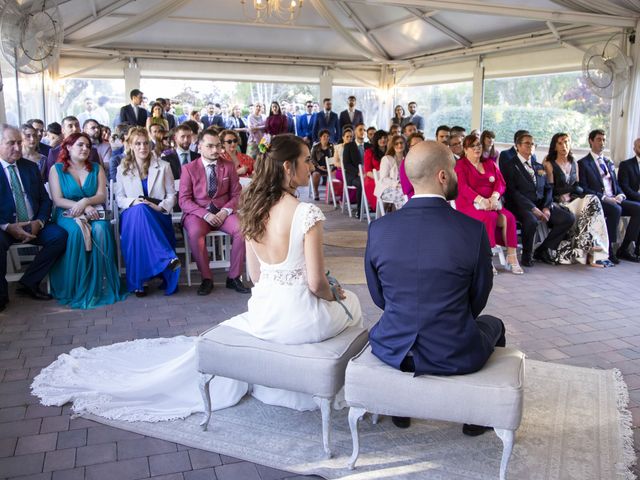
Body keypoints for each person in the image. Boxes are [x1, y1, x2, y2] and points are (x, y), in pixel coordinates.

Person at [31, 134, 363, 422]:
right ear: (288, 167)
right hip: (299, 317)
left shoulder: (255, 209)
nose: (312, 167)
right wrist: (338, 294)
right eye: (307, 161)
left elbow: (255, 275)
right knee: (356, 305)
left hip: (265, 313)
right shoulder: (307, 212)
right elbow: (317, 284)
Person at [365, 140, 505, 433]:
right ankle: (476, 416)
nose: (456, 175)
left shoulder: (378, 229)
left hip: (394, 346)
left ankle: (402, 408)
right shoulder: (471, 230)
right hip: (453, 349)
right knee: (495, 325)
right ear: (442, 176)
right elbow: (478, 298)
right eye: (453, 169)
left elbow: (379, 297)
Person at [48, 132, 126, 309]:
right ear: (68, 147)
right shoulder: (57, 169)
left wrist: (86, 202)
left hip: (93, 210)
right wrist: (81, 206)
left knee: (102, 228)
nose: (85, 149)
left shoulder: (96, 168)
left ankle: (103, 283)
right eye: (80, 145)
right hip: (67, 213)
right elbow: (58, 199)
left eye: (88, 146)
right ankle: (75, 285)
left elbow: (101, 195)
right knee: (76, 232)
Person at [0, 124, 67, 312]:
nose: (17, 147)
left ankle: (29, 282)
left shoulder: (30, 167)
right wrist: (7, 226)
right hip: (5, 227)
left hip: (33, 223)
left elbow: (45, 200)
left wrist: (39, 222)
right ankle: (1, 295)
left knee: (60, 236)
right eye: (11, 143)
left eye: (19, 143)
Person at [179, 128, 249, 296]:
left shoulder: (228, 166)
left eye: (218, 146)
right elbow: (184, 200)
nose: (215, 150)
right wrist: (205, 214)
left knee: (242, 229)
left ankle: (234, 277)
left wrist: (225, 211)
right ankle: (206, 278)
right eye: (210, 146)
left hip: (223, 212)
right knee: (195, 233)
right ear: (199, 147)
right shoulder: (189, 168)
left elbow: (237, 194)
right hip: (198, 213)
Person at [114, 127, 180, 297]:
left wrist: (161, 206)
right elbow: (120, 198)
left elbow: (172, 194)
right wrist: (135, 202)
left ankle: (138, 282)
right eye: (138, 143)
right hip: (131, 214)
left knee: (142, 216)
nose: (142, 147)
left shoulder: (163, 166)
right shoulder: (122, 168)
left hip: (157, 214)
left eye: (145, 143)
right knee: (140, 210)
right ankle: (166, 258)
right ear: (130, 145)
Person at [501, 133, 575, 267]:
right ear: (518, 146)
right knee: (531, 220)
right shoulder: (510, 165)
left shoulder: (538, 166)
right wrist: (532, 208)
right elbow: (512, 192)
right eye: (527, 143)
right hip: (520, 206)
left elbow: (548, 188)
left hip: (541, 204)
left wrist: (546, 207)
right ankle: (526, 255)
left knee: (567, 218)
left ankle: (542, 249)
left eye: (533, 144)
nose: (531, 146)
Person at [455, 135, 522, 275]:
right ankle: (487, 259)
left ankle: (512, 258)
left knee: (509, 217)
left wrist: (494, 196)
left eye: (478, 145)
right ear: (465, 149)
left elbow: (500, 182)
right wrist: (480, 200)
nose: (477, 148)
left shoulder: (489, 163)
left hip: (492, 203)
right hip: (469, 205)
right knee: (489, 218)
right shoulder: (461, 165)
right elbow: (463, 187)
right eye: (472, 146)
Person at [543, 133, 610, 267]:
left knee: (593, 200)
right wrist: (570, 190)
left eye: (567, 142)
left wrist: (574, 190)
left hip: (574, 201)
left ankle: (595, 251)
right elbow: (550, 189)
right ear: (554, 146)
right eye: (560, 143)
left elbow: (578, 187)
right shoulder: (549, 164)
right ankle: (592, 251)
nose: (564, 146)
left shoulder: (574, 162)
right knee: (591, 204)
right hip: (558, 203)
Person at [578, 129, 640, 263]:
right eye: (599, 139)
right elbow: (583, 188)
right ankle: (609, 249)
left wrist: (621, 195)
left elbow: (616, 185)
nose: (602, 143)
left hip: (614, 198)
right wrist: (605, 198)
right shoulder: (583, 163)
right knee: (615, 210)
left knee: (638, 208)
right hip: (599, 200)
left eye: (604, 140)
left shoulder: (608, 162)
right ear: (591, 141)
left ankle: (625, 248)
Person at [342, 123, 370, 217]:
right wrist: (358, 172)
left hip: (368, 174)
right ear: (355, 132)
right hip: (353, 175)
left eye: (365, 130)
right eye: (360, 130)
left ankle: (373, 207)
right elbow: (346, 164)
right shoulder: (349, 146)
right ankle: (360, 210)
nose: (363, 132)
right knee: (362, 183)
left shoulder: (369, 146)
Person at [374, 134, 406, 210]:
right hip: (386, 189)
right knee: (403, 196)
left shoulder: (407, 158)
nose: (399, 145)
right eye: (396, 143)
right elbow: (384, 178)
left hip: (401, 188)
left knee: (411, 194)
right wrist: (397, 183)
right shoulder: (386, 159)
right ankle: (402, 218)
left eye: (401, 143)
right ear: (392, 145)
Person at [363, 130, 388, 211]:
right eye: (380, 138)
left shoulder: (390, 151)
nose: (383, 140)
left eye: (384, 138)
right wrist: (379, 179)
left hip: (388, 177)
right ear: (376, 140)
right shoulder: (369, 152)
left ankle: (391, 207)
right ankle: (381, 209)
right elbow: (367, 171)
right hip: (373, 178)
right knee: (381, 186)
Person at [310, 129, 334, 201]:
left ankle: (331, 193)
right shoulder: (315, 147)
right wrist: (319, 167)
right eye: (324, 136)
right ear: (320, 137)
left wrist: (330, 167)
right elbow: (312, 159)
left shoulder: (331, 146)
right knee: (316, 174)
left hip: (329, 167)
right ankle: (316, 191)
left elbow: (334, 158)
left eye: (327, 136)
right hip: (318, 167)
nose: (326, 138)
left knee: (336, 174)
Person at [399, 132, 424, 200]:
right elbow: (406, 189)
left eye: (421, 144)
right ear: (409, 147)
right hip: (416, 196)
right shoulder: (406, 163)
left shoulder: (430, 160)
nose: (419, 147)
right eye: (415, 145)